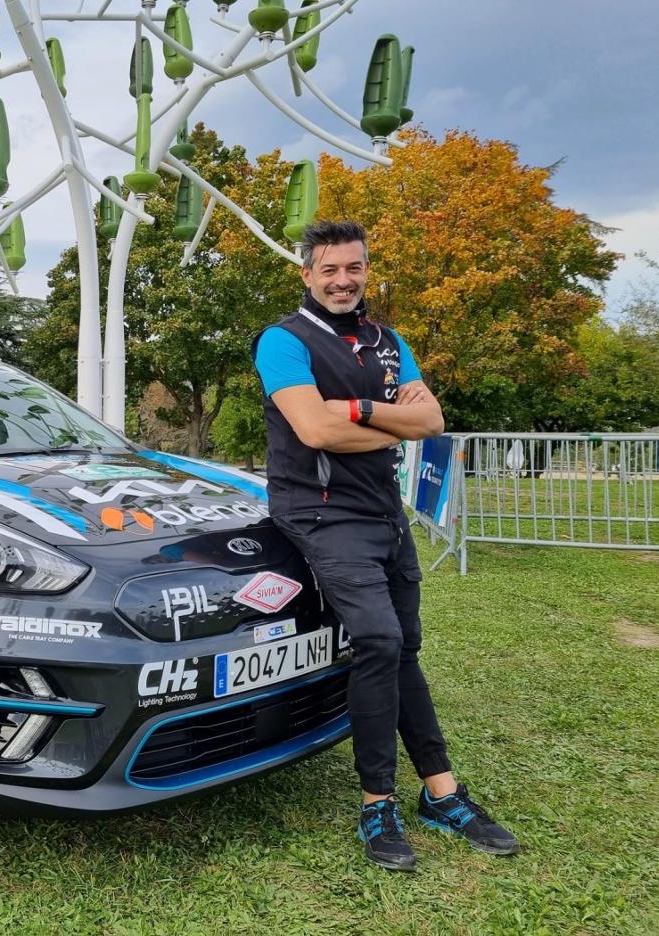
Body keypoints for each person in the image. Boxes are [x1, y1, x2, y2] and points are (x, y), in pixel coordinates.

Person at [252, 220, 519, 872]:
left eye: (354, 268)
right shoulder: (283, 341)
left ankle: (441, 792)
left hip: (384, 515)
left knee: (406, 648)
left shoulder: (388, 342)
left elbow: (429, 422)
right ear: (307, 274)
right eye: (330, 269)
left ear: (367, 270)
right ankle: (378, 804)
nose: (343, 280)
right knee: (379, 641)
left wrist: (357, 412)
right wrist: (371, 418)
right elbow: (312, 430)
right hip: (321, 515)